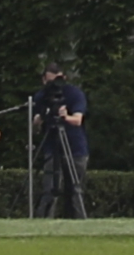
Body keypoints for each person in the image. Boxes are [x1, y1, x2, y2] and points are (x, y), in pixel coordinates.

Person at [32, 63, 89, 216]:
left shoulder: (74, 94)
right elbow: (35, 128)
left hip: (75, 148)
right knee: (50, 188)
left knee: (75, 190)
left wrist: (65, 117)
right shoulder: (41, 97)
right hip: (52, 147)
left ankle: (77, 219)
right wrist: (40, 118)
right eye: (50, 82)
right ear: (44, 80)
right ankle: (45, 219)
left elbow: (77, 120)